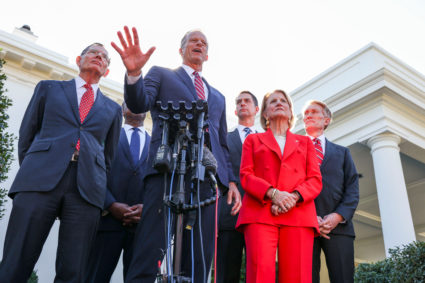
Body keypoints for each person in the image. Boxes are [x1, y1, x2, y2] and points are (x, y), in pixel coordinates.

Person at [111, 26, 242, 282]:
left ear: (207, 55)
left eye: (203, 42)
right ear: (181, 49)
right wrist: (134, 73)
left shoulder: (218, 96)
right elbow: (139, 104)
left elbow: (221, 144)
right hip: (166, 171)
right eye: (193, 41)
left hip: (204, 179)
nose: (199, 44)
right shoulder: (162, 74)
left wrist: (231, 182)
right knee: (151, 247)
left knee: (198, 257)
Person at [0, 43, 122, 282]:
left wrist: (97, 185)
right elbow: (27, 135)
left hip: (86, 190)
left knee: (73, 269)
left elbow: (108, 158)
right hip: (39, 180)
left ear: (106, 71)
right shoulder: (48, 88)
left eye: (105, 57)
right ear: (79, 59)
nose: (99, 56)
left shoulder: (113, 109)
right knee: (17, 259)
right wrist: (35, 170)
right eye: (93, 52)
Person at [236, 90, 322, 283]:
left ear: (291, 112)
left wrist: (292, 197)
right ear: (265, 113)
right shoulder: (252, 140)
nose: (279, 103)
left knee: (297, 277)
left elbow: (315, 180)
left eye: (283, 101)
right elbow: (246, 175)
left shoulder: (306, 142)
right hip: (260, 212)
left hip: (298, 214)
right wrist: (273, 194)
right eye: (273, 101)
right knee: (259, 275)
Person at [85, 103, 150, 282]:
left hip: (141, 228)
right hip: (106, 223)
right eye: (131, 101)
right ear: (122, 110)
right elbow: (94, 173)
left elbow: (160, 183)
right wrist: (111, 204)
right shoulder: (107, 136)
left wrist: (147, 207)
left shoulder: (157, 144)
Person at [302, 100, 359, 283]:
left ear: (326, 120)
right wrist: (310, 217)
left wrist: (337, 217)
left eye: (314, 112)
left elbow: (352, 190)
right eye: (306, 113)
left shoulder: (343, 153)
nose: (308, 115)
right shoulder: (294, 151)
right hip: (304, 227)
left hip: (339, 228)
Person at [217, 91, 258, 283]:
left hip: (259, 215)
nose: (243, 103)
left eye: (247, 101)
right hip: (229, 214)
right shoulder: (223, 138)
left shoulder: (268, 140)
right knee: (226, 274)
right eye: (239, 102)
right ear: (235, 110)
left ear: (256, 109)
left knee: (258, 273)